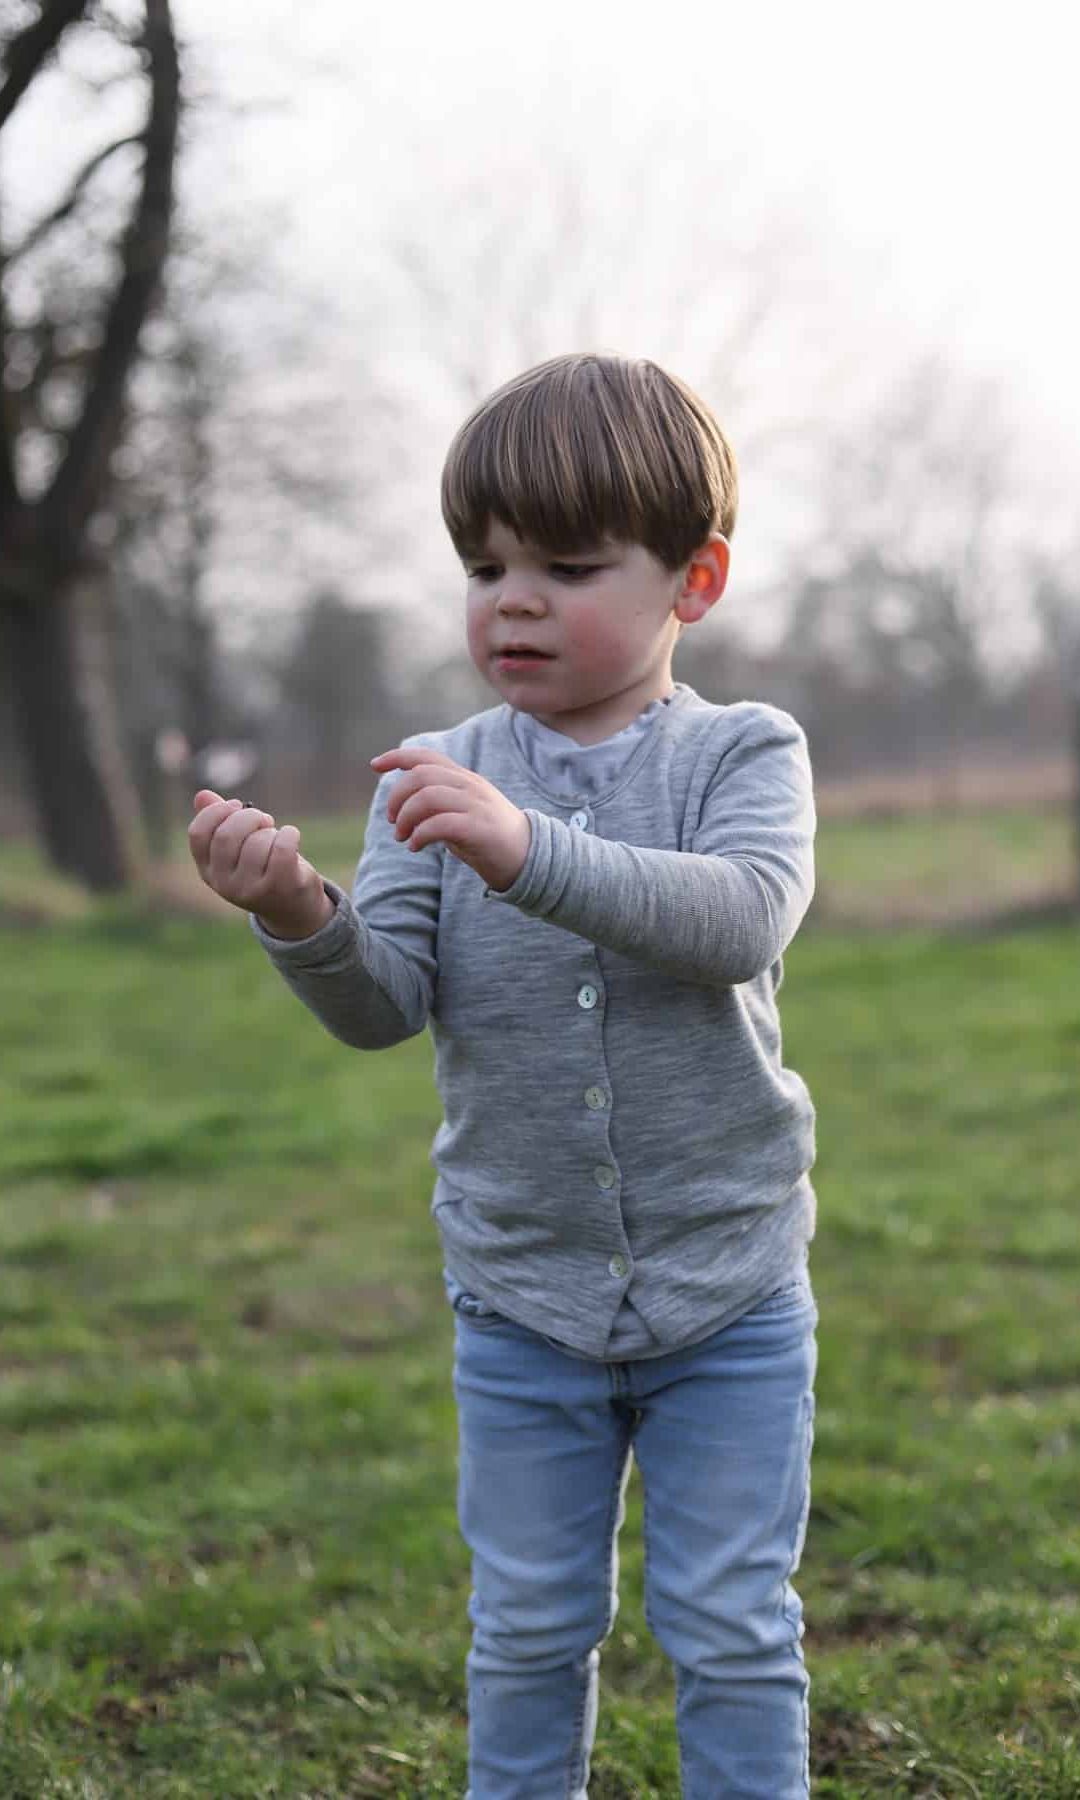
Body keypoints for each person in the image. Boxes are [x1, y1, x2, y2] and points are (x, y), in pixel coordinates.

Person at [188, 352, 819, 1799]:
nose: (511, 599)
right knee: (529, 1625)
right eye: (483, 566)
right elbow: (383, 1006)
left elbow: (737, 920)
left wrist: (527, 850)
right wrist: (298, 912)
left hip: (730, 1291)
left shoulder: (744, 751)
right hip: (521, 1297)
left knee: (730, 1624)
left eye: (569, 565)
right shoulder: (430, 772)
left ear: (694, 580)